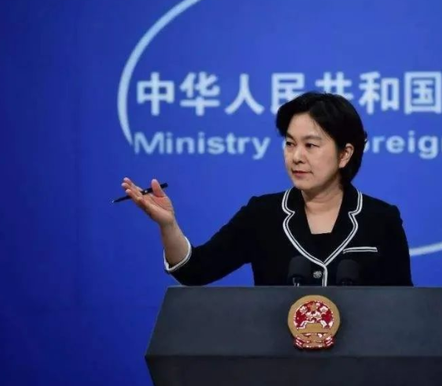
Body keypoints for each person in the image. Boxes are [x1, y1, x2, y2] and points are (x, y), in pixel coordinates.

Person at [121, 92, 413, 286]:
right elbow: (195, 270)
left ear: (345, 154)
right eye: (290, 144)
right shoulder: (262, 215)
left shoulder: (381, 219)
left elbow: (403, 311)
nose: (296, 156)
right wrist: (169, 226)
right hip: (278, 362)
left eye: (311, 145)